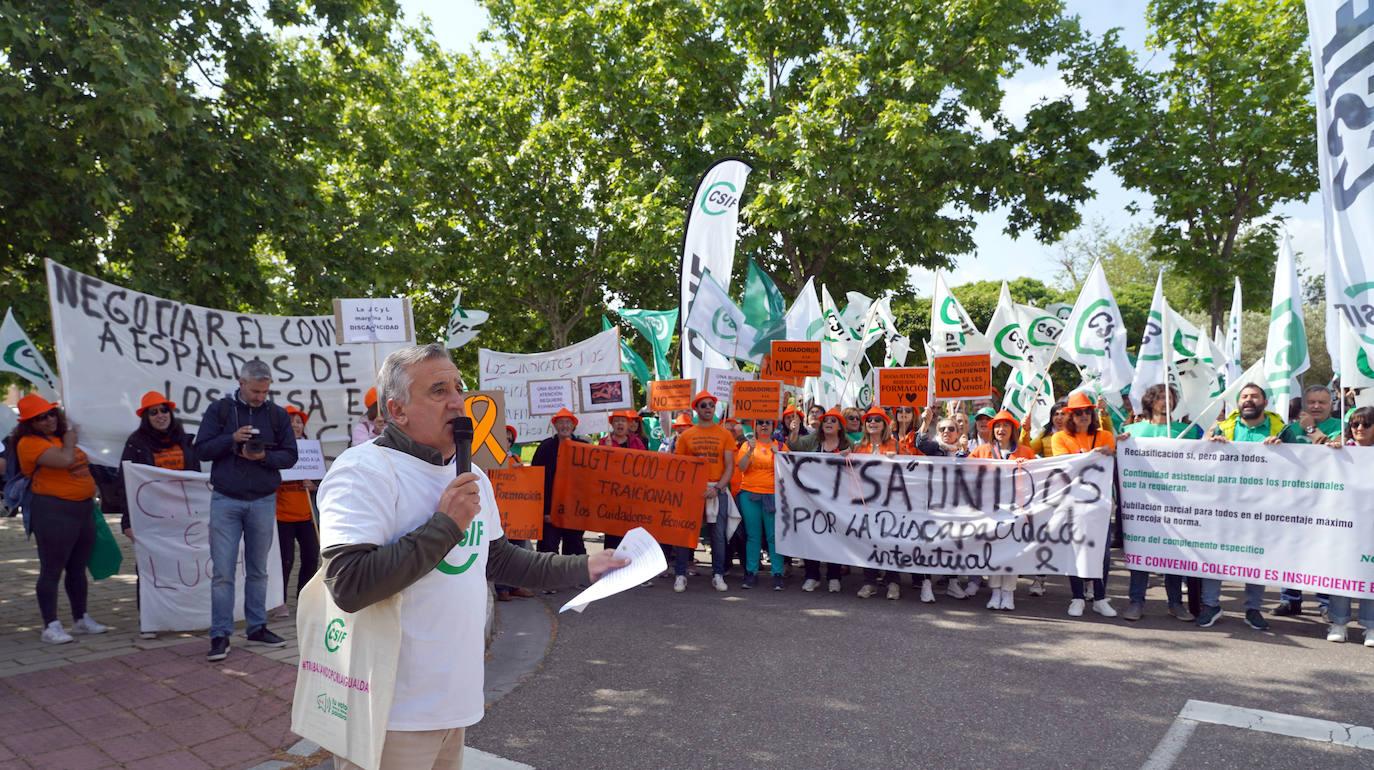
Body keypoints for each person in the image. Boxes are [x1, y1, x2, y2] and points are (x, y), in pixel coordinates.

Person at [318, 344, 627, 770]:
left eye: (458, 387)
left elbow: (498, 560)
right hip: (391, 709)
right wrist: (445, 524)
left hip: (454, 701)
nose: (457, 401)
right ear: (397, 409)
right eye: (438, 390)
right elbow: (349, 585)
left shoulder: (471, 474)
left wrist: (587, 565)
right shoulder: (362, 471)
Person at [194, 359, 298, 661]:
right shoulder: (221, 411)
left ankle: (257, 626)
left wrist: (264, 456)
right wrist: (232, 439)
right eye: (255, 391)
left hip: (263, 500)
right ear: (241, 383)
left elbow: (290, 455)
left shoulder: (277, 415)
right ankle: (220, 634)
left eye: (265, 392)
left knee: (259, 570)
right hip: (225, 499)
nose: (260, 397)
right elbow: (201, 449)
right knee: (223, 571)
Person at [12, 394, 107, 644]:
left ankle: (81, 618)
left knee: (77, 567)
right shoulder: (29, 443)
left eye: (51, 414)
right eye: (40, 418)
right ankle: (50, 625)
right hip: (53, 511)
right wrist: (69, 441)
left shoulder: (60, 436)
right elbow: (64, 460)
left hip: (82, 510)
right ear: (29, 423)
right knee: (52, 569)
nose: (48, 420)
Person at [1198, 382, 1289, 631]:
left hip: (1262, 505)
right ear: (1238, 403)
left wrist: (1285, 449)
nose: (1249, 400)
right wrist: (1207, 442)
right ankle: (1211, 605)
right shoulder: (1222, 427)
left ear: (1265, 402)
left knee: (1256, 555)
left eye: (1254, 396)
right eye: (1244, 396)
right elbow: (1196, 456)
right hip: (1224, 503)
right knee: (1213, 553)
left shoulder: (1281, 429)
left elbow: (1303, 458)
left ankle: (1253, 608)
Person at [110, 391, 198, 638]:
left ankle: (182, 615)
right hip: (149, 518)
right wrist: (127, 522)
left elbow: (195, 479)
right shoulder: (136, 443)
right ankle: (149, 620)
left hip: (182, 517)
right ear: (146, 417)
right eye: (154, 412)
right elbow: (125, 483)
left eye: (163, 410)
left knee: (182, 567)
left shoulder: (185, 439)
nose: (160, 416)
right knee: (150, 570)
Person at [1115, 385, 1196, 623]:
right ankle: (1136, 601)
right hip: (1143, 505)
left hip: (1177, 505)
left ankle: (1175, 604)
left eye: (1169, 397)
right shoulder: (1132, 431)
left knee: (1174, 554)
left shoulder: (1187, 431)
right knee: (1141, 552)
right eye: (1160, 397)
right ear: (1151, 401)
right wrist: (1120, 444)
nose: (1165, 401)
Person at [1272, 385, 1341, 616]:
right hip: (1294, 500)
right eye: (1311, 402)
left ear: (1331, 404)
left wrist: (1310, 428)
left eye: (1321, 402)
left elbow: (1330, 450)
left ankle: (1325, 602)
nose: (1316, 406)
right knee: (1292, 549)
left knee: (1324, 550)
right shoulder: (1290, 429)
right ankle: (1290, 598)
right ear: (1304, 405)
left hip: (1328, 500)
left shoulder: (1339, 427)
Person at [1050, 392, 1117, 619]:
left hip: (1099, 504)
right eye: (1078, 412)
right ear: (1070, 415)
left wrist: (1108, 452)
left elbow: (1113, 460)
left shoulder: (1105, 435)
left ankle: (1099, 597)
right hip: (1075, 503)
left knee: (1102, 553)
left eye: (1087, 411)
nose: (1084, 416)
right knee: (1075, 549)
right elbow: (1065, 466)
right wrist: (1092, 456)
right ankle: (1077, 596)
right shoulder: (1059, 438)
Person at [673, 391, 736, 592]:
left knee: (717, 535)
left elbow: (729, 466)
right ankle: (680, 574)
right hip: (692, 492)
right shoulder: (686, 436)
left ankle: (717, 574)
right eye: (704, 405)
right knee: (685, 533)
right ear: (696, 409)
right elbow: (679, 466)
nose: (708, 408)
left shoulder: (725, 434)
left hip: (717, 490)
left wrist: (717, 488)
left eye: (711, 405)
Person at [1324, 406, 1374, 645]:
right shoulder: (1342, 450)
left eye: (1366, 424)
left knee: (1370, 574)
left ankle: (1371, 626)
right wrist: (1332, 452)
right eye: (1355, 425)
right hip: (1344, 523)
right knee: (1342, 572)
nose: (1360, 429)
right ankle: (1338, 622)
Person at [789, 408, 849, 592]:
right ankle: (812, 575)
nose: (828, 423)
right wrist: (793, 431)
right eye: (826, 421)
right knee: (812, 535)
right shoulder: (815, 440)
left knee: (834, 537)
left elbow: (862, 460)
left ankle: (834, 576)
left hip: (837, 499)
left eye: (833, 420)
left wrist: (850, 457)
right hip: (812, 499)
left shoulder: (848, 443)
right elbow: (795, 446)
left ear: (840, 426)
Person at [272, 405, 318, 619]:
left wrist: (313, 484)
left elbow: (320, 478)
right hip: (282, 516)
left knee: (311, 556)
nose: (295, 425)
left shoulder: (310, 450)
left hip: (306, 515)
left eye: (298, 422)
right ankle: (279, 601)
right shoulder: (276, 450)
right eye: (291, 422)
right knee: (285, 560)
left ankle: (304, 598)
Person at [852, 406, 901, 600]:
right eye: (869, 420)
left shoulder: (894, 445)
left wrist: (898, 459)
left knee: (890, 542)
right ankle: (869, 581)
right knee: (868, 542)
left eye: (877, 420)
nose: (872, 423)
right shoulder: (858, 446)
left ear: (884, 424)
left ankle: (893, 582)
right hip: (866, 502)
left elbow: (910, 468)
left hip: (890, 502)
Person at [736, 417, 786, 591]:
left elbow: (789, 470)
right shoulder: (747, 445)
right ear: (755, 427)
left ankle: (777, 574)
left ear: (773, 426)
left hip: (773, 496)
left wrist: (778, 454)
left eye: (768, 423)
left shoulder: (780, 446)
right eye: (760, 423)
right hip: (750, 494)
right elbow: (741, 468)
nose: (764, 425)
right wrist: (750, 451)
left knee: (773, 536)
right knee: (753, 535)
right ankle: (751, 573)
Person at [532, 408, 587, 562]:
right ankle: (547, 581)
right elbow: (535, 478)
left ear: (573, 426)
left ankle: (575, 580)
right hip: (549, 512)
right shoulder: (545, 447)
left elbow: (591, 481)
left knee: (574, 547)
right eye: (561, 422)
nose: (564, 426)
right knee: (548, 548)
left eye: (568, 422)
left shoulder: (584, 447)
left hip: (575, 511)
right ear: (555, 425)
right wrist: (543, 511)